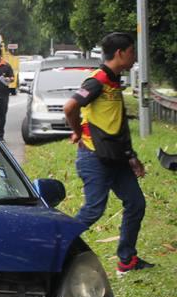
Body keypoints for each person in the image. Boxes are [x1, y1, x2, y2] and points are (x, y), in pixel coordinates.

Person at [63, 32, 153, 275]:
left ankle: (127, 260)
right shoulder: (98, 80)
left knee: (136, 203)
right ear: (120, 53)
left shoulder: (114, 81)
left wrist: (132, 157)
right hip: (94, 158)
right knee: (94, 209)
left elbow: (116, 123)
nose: (135, 57)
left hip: (116, 157)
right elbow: (70, 106)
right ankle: (55, 246)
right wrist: (78, 132)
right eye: (132, 52)